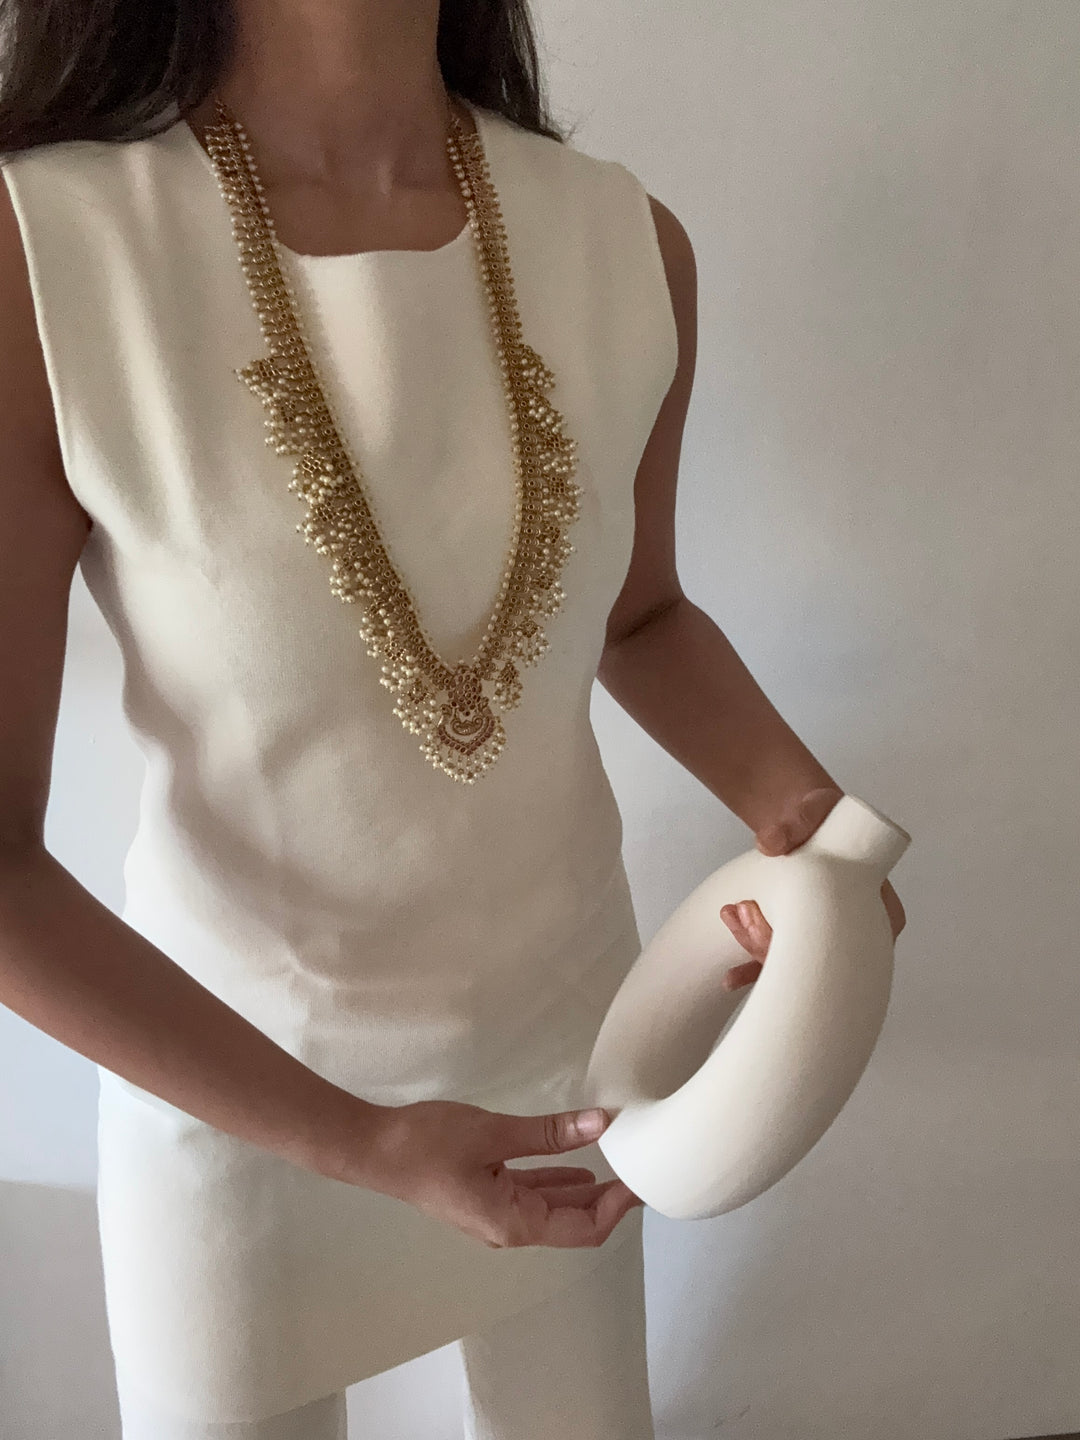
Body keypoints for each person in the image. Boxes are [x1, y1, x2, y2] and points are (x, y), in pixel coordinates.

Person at [0, 2, 907, 1437]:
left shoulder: (623, 242)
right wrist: (358, 1141)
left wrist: (815, 837)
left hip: (574, 1071)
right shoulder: (49, 254)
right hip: (240, 1100)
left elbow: (639, 615)